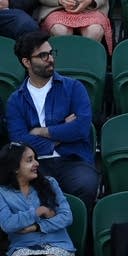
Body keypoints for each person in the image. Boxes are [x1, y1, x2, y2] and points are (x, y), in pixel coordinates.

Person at [6, 31, 99, 212]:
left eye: (51, 53)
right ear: (26, 62)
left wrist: (41, 131)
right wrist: (62, 131)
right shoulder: (15, 100)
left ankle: (79, 238)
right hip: (35, 164)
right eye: (43, 55)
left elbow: (81, 129)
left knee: (87, 184)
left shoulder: (73, 88)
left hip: (73, 160)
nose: (50, 59)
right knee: (29, 193)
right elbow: (19, 141)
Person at [0, 142, 75, 256]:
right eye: (30, 160)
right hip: (21, 247)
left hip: (58, 245)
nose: (37, 163)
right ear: (15, 168)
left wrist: (37, 227)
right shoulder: (2, 192)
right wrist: (38, 212)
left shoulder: (50, 183)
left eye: (35, 158)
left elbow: (66, 217)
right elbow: (7, 224)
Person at [36, 0, 112, 53]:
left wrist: (90, 1)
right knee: (60, 31)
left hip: (92, 9)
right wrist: (60, 1)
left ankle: (87, 67)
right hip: (57, 9)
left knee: (95, 31)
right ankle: (64, 67)